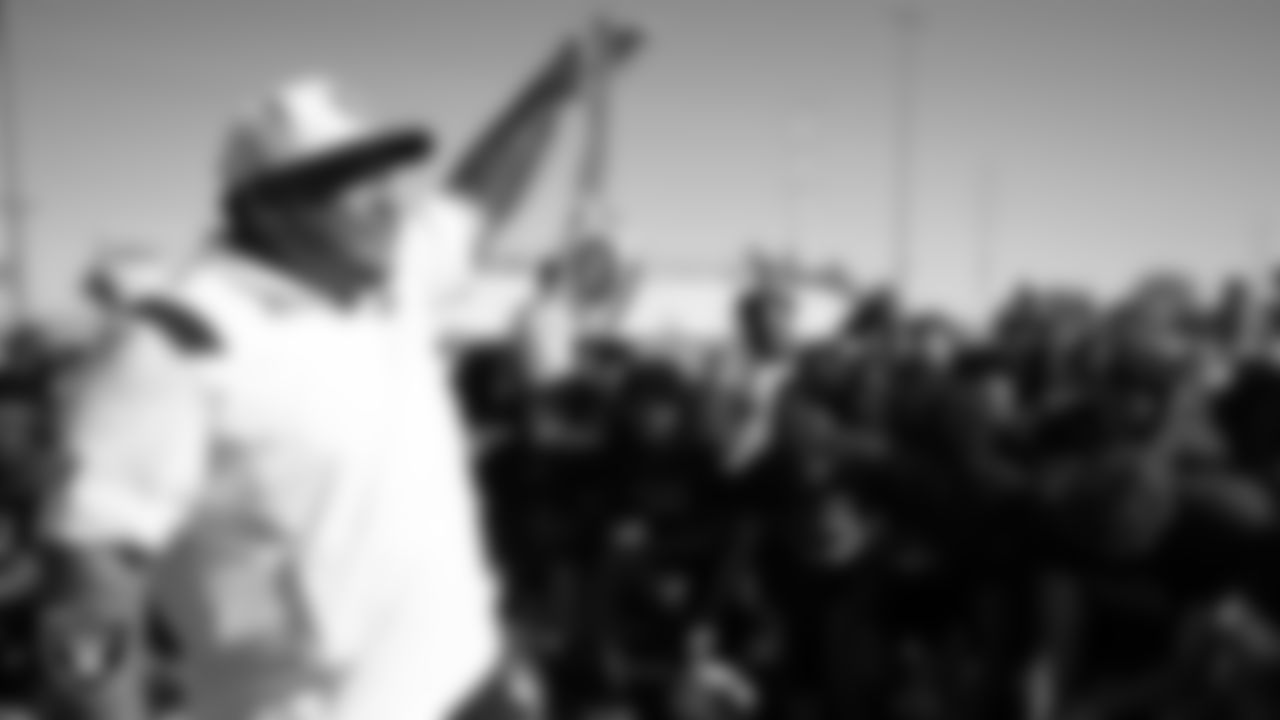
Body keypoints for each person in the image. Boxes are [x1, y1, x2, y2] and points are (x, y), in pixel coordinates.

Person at [40, 20, 642, 720]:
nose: (389, 200)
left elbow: (478, 203)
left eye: (390, 176)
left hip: (474, 686)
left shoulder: (388, 282)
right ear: (265, 208)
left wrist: (554, 88)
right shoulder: (176, 344)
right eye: (349, 182)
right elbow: (92, 571)